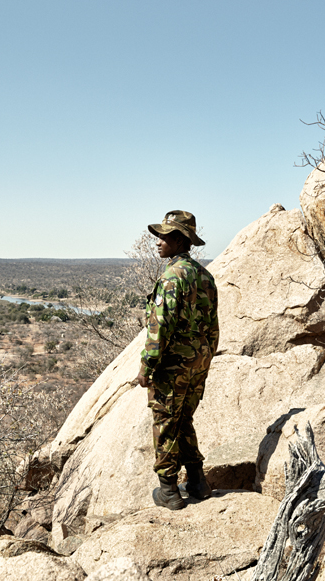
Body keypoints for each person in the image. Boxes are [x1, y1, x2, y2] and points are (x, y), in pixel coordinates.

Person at [136, 210, 219, 510]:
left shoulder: (172, 277)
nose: (158, 241)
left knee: (166, 422)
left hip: (172, 366)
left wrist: (147, 366)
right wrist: (203, 363)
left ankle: (169, 490)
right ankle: (198, 481)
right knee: (184, 419)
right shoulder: (205, 276)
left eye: (165, 236)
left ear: (179, 240)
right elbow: (213, 329)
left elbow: (160, 329)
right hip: (198, 365)